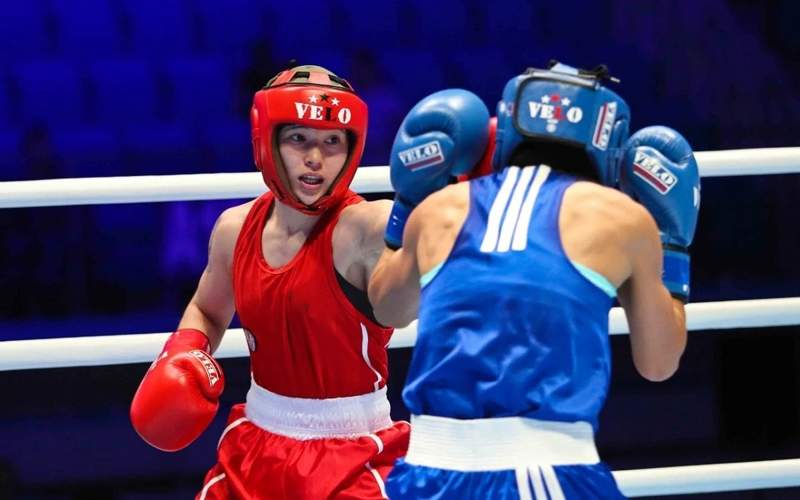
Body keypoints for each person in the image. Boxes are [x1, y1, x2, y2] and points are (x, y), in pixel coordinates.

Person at [369, 62, 700, 498]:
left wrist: (408, 204)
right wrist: (673, 246)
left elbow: (387, 308)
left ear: (504, 125)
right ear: (608, 139)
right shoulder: (622, 218)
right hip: (543, 470)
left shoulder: (439, 209)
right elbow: (658, 363)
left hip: (425, 470)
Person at [130, 65, 409, 499]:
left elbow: (409, 245)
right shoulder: (234, 228)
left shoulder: (364, 227)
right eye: (299, 138)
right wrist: (185, 350)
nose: (315, 158)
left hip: (352, 453)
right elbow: (207, 309)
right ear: (267, 141)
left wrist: (429, 205)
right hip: (255, 444)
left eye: (332, 142)